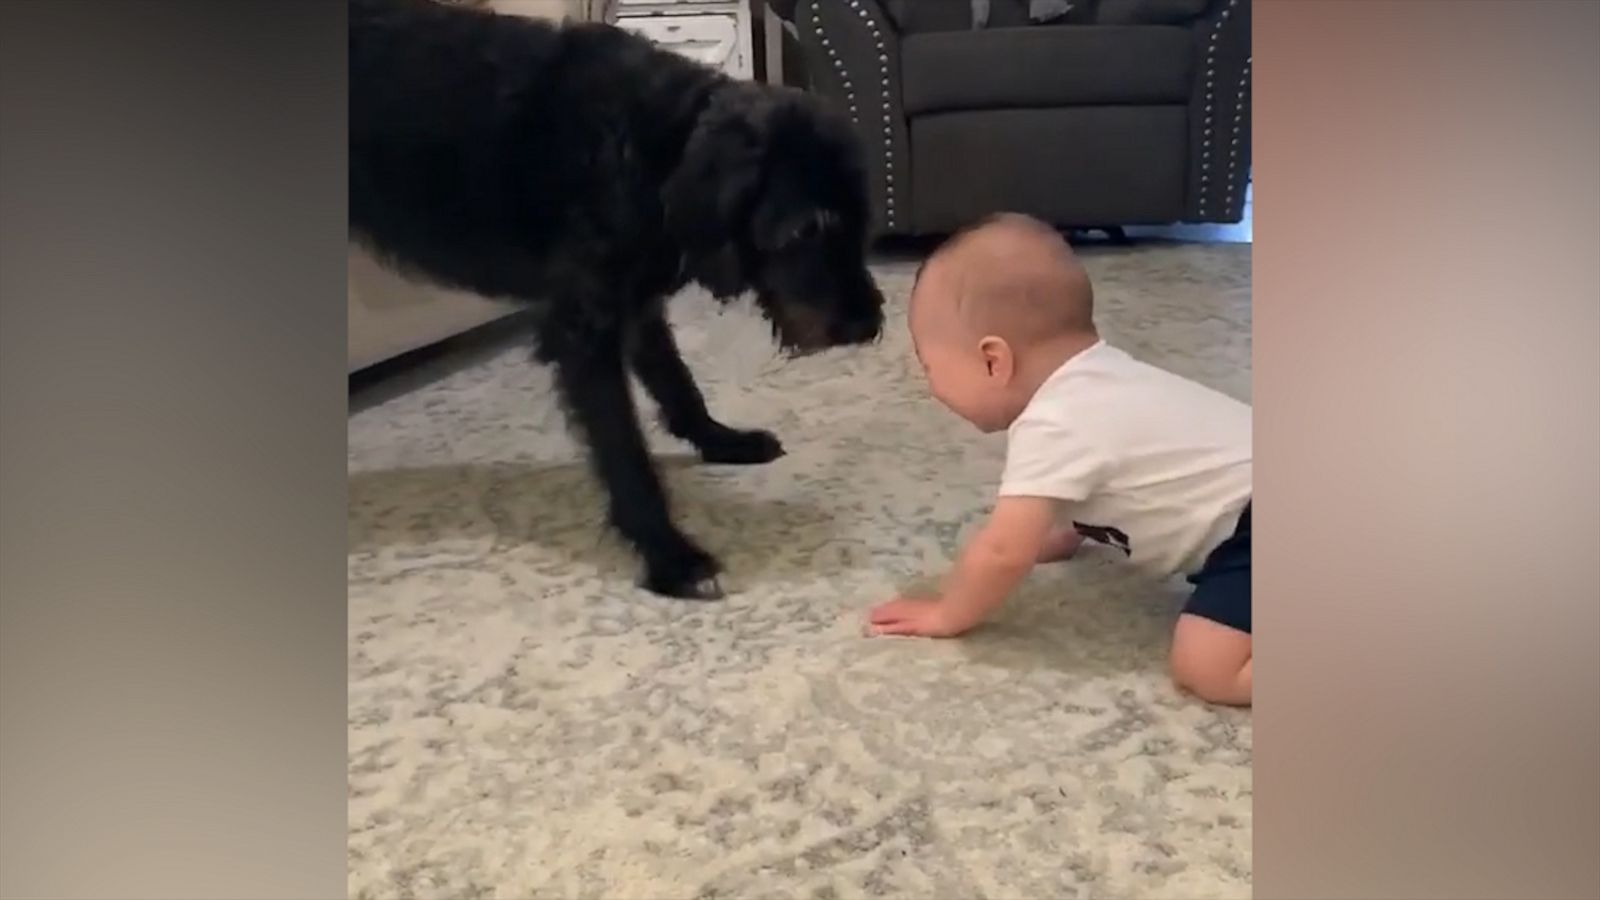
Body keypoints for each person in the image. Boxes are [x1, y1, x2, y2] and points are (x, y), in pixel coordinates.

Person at [867, 213, 1253, 707]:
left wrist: (947, 613)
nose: (930, 388)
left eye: (931, 367)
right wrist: (1067, 532)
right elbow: (1117, 473)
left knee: (1207, 666)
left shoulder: (1054, 422)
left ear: (993, 361)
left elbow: (1004, 552)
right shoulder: (1104, 377)